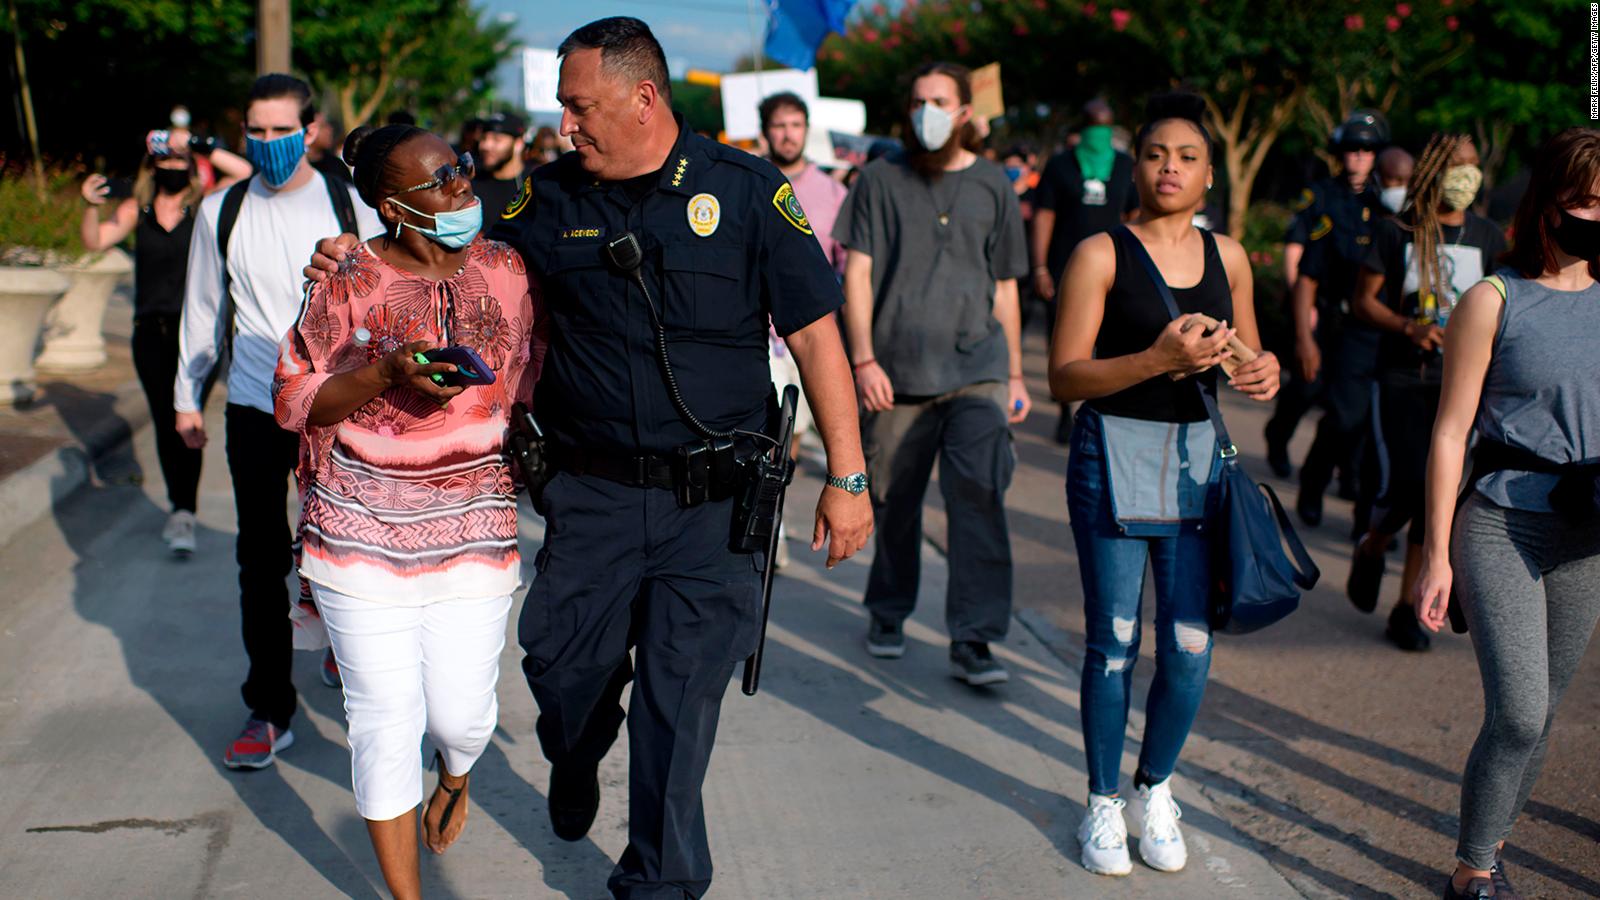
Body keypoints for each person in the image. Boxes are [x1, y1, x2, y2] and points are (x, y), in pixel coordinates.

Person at [305, 17, 872, 899]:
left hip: (714, 507)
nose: (567, 125)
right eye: (564, 109)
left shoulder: (750, 192)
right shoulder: (546, 200)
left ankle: (657, 881)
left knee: (677, 710)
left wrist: (848, 475)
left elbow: (816, 338)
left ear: (643, 97)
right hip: (593, 496)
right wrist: (352, 252)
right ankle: (575, 755)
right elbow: (439, 242)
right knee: (562, 676)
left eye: (579, 106)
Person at [274, 122, 544, 900]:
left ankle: (456, 775)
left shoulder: (507, 268)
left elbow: (533, 374)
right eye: (442, 182)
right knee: (383, 719)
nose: (463, 187)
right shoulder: (346, 277)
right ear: (394, 206)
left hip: (474, 522)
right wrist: (385, 372)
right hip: (356, 523)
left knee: (463, 716)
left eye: (460, 170)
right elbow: (294, 397)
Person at [1048, 92, 1281, 878]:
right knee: (1113, 644)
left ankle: (1156, 788)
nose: (1169, 167)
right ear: (1135, 166)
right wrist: (1156, 361)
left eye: (1185, 156)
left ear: (1208, 174)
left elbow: (1249, 355)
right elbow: (1063, 377)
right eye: (1155, 155)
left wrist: (1262, 371)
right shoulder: (1100, 253)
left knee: (1188, 645)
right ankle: (1103, 802)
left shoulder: (1233, 256)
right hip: (1110, 456)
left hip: (1194, 466)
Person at [1412, 127, 1600, 900]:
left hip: (1587, 531)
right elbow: (1451, 431)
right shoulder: (1493, 300)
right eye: (1586, 201)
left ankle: (1491, 850)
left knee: (1546, 714)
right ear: (1549, 203)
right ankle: (1474, 870)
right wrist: (1435, 553)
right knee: (1519, 714)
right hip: (1502, 522)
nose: (1599, 214)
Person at [174, 73, 381, 769]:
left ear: (312, 130)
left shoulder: (351, 201)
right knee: (260, 558)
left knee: (347, 552)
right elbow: (203, 310)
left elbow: (392, 302)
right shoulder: (221, 209)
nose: (267, 144)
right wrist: (185, 396)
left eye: (279, 131)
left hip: (337, 406)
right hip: (255, 407)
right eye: (254, 132)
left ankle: (353, 667)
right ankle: (269, 708)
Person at [836, 61, 1030, 685]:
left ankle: (975, 637)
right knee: (892, 501)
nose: (929, 111)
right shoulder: (878, 180)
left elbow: (1005, 286)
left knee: (978, 494)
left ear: (967, 111)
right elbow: (857, 275)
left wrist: (1018, 375)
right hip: (895, 373)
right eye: (919, 100)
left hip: (979, 370)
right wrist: (862, 359)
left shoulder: (995, 184)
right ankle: (889, 611)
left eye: (941, 100)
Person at [1349, 133, 1506, 652]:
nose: (1467, 175)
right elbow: (1363, 302)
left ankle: (1406, 608)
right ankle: (1373, 542)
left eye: (1473, 165)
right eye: (1457, 165)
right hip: (1403, 381)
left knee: (1435, 495)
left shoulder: (1487, 236)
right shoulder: (1400, 233)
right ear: (1434, 170)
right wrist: (1406, 327)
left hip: (1460, 386)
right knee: (1410, 484)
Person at [79, 129, 250, 556]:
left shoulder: (206, 207)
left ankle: (182, 512)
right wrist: (89, 205)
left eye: (181, 162)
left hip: (198, 336)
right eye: (165, 161)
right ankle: (182, 509)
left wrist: (195, 142)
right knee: (166, 421)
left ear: (192, 167)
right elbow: (95, 239)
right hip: (150, 335)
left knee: (186, 422)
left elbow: (246, 172)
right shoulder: (137, 210)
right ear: (151, 166)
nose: (173, 167)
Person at [1264, 110, 1388, 483]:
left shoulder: (1384, 203)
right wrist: (1304, 310)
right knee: (1306, 386)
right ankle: (1278, 435)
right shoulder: (1319, 195)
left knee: (1350, 401)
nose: (1359, 157)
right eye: (1352, 150)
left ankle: (1345, 474)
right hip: (1319, 308)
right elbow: (1296, 252)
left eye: (1367, 151)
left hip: (1360, 319)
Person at [759, 90, 849, 566]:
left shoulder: (834, 193)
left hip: (807, 343)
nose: (787, 134)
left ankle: (774, 520)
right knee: (760, 438)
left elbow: (846, 266)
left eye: (796, 124)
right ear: (765, 130)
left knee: (786, 444)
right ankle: (765, 532)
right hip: (759, 341)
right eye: (779, 125)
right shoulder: (751, 180)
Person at [1032, 98, 1139, 443]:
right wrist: (1040, 267)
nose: (1099, 135)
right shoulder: (1061, 165)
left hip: (1114, 272)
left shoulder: (1126, 166)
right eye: (1094, 126)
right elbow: (1044, 216)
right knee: (1064, 343)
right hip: (1065, 270)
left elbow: (1137, 214)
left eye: (1105, 128)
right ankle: (1065, 411)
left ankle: (1099, 414)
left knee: (1109, 344)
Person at [472, 112, 527, 217]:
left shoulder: (534, 183)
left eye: (496, 140)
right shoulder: (471, 183)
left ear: (518, 144)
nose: (485, 146)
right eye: (483, 138)